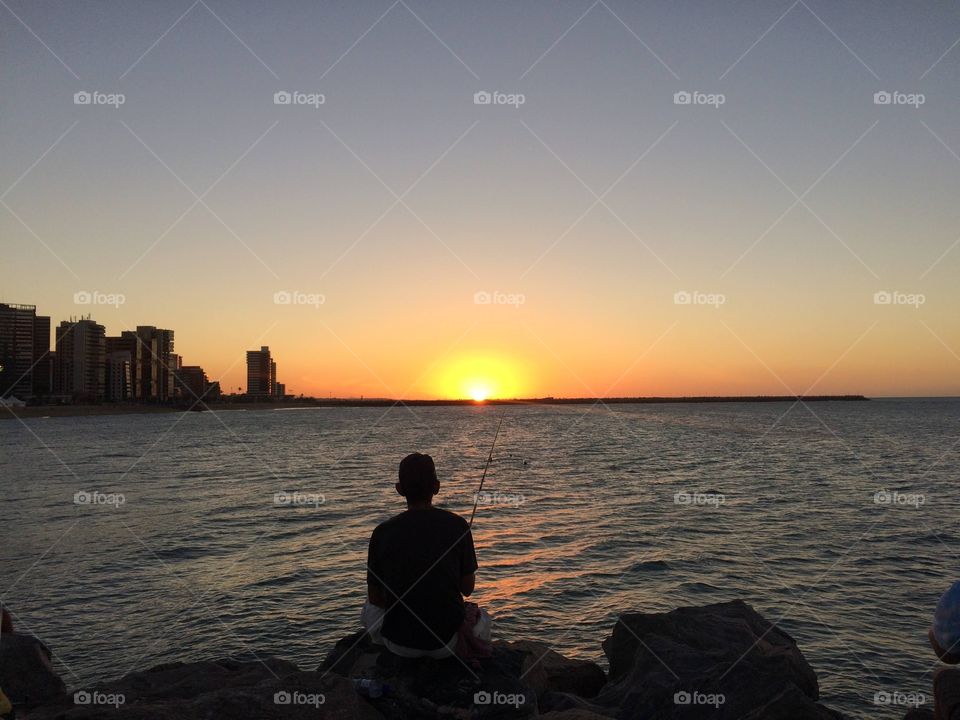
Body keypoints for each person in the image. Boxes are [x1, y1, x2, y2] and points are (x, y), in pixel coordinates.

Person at [361, 453, 491, 661]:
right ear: (437, 487)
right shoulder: (458, 526)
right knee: (482, 616)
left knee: (367, 607)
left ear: (399, 489)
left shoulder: (381, 532)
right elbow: (467, 589)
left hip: (398, 645)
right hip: (445, 644)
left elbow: (375, 597)